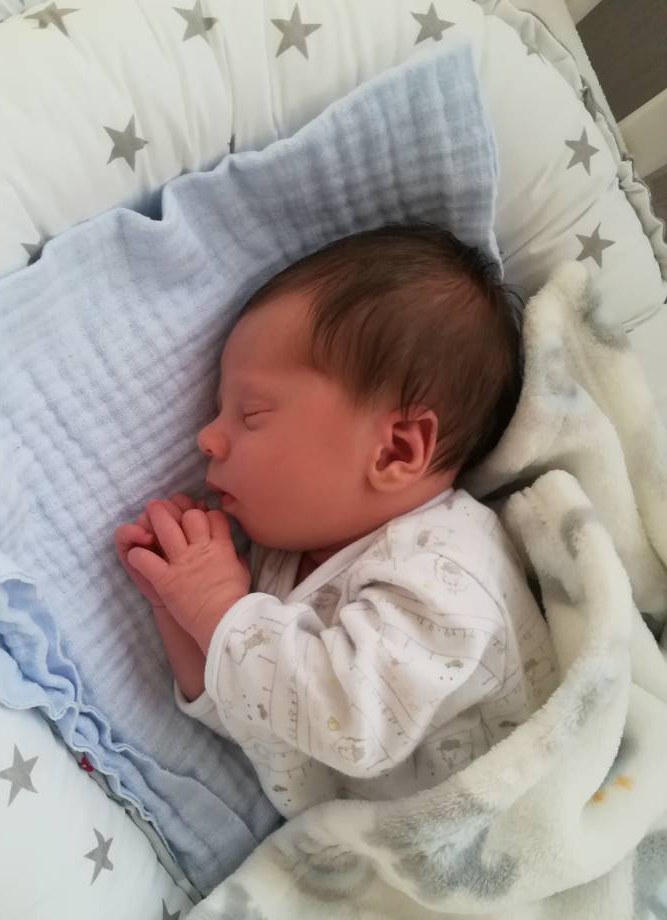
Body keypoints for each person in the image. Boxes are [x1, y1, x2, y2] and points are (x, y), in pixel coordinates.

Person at [114, 223, 556, 817]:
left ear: (396, 451)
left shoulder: (447, 565)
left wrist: (215, 607)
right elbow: (264, 727)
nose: (208, 438)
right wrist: (179, 610)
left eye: (251, 413)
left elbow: (354, 723)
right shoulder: (281, 562)